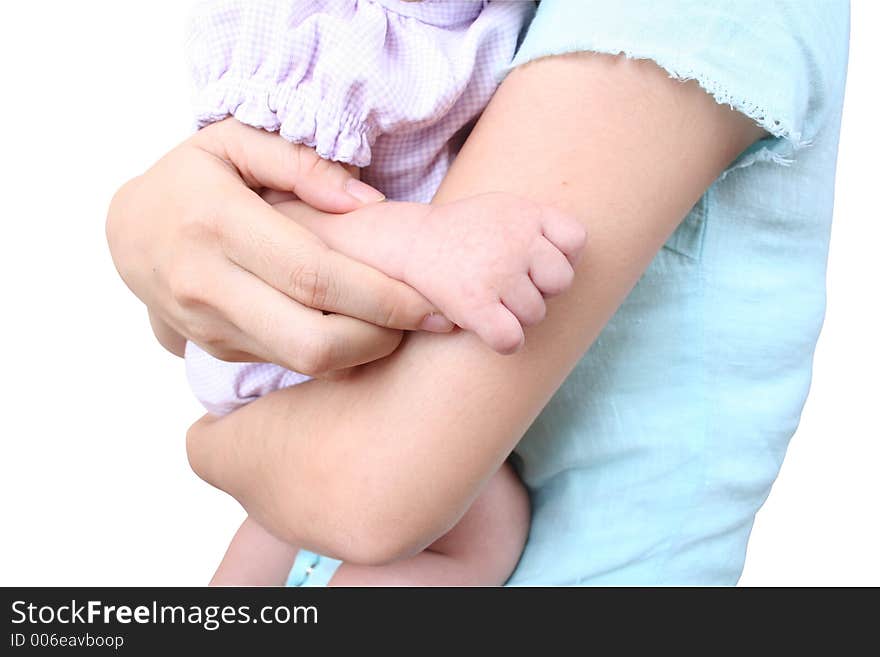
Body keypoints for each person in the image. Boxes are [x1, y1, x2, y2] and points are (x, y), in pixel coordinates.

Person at [107, 0, 850, 585]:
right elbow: (262, 220)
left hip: (346, 406)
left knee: (463, 526)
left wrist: (212, 446)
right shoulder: (348, 38)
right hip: (318, 347)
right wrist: (153, 226)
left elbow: (365, 489)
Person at [182, 0, 586, 586]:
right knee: (480, 525)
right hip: (306, 350)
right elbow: (252, 213)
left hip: (351, 371)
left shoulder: (483, 29)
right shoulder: (341, 36)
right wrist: (423, 244)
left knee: (278, 538)